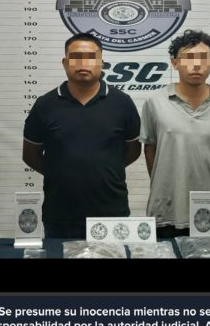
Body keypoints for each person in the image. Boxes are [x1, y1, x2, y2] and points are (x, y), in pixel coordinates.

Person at [22, 33, 141, 238]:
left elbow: (133, 150)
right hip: (60, 215)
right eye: (76, 57)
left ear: (101, 62)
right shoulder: (44, 105)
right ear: (65, 63)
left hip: (112, 214)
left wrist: (106, 169)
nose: (83, 63)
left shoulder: (123, 103)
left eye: (91, 57)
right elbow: (30, 155)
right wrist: (59, 172)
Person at [140, 29, 210, 238]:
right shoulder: (154, 103)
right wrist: (165, 185)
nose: (196, 64)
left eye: (203, 58)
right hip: (166, 210)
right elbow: (150, 149)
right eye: (188, 58)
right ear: (174, 63)